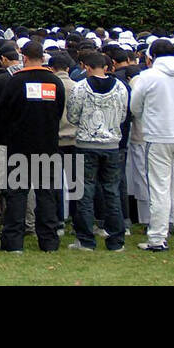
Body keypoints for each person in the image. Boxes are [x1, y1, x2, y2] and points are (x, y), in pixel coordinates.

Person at [0, 41, 67, 253]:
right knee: (47, 195)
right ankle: (49, 241)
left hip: (19, 146)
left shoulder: (15, 82)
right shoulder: (55, 82)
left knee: (16, 195)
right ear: (43, 58)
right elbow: (58, 110)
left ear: (23, 57)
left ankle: (13, 242)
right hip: (47, 145)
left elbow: (3, 112)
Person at [130, 38, 174, 252]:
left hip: (158, 136)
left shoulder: (147, 77)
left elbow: (135, 106)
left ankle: (158, 237)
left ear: (151, 56)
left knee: (159, 187)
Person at [66, 51, 129, 252]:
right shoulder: (120, 87)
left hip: (86, 144)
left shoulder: (81, 88)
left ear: (87, 67)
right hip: (111, 144)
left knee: (85, 192)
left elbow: (73, 116)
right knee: (112, 191)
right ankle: (116, 239)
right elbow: (123, 115)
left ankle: (85, 240)